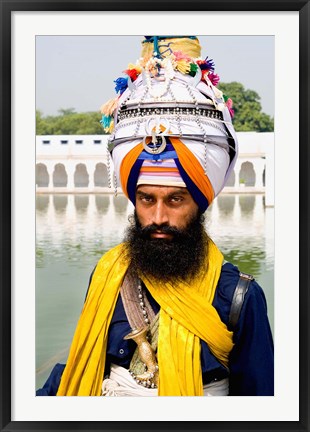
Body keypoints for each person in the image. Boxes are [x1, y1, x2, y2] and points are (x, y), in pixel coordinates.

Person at [37, 36, 274, 397]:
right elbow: (82, 368)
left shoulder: (239, 298)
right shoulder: (108, 276)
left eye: (176, 199)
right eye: (146, 199)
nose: (158, 216)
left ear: (200, 202)